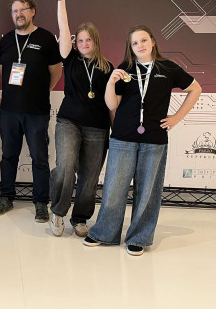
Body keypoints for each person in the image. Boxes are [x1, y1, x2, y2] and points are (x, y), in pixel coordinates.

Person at [84, 25, 201, 256]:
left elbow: (195, 89)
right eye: (135, 43)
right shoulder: (125, 69)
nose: (140, 45)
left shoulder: (167, 68)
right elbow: (111, 104)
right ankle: (104, 233)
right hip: (123, 138)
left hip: (154, 139)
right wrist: (110, 83)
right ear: (130, 47)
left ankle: (138, 237)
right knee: (114, 188)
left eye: (144, 40)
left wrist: (177, 118)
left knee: (148, 191)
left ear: (153, 41)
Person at [49, 0, 114, 237]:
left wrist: (114, 127)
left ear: (96, 41)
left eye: (89, 40)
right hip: (69, 122)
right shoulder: (71, 59)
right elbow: (63, 28)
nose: (84, 43)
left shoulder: (108, 68)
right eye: (81, 40)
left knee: (90, 176)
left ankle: (80, 218)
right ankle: (58, 212)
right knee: (65, 166)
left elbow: (111, 103)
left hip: (98, 127)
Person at [0, 0, 62, 220]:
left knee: (39, 158)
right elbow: (2, 71)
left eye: (23, 9)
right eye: (15, 11)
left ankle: (41, 202)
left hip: (36, 111)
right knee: (8, 156)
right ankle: (6, 197)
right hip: (10, 110)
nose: (19, 14)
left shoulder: (46, 38)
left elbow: (56, 72)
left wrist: (40, 91)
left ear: (33, 11)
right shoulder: (6, 40)